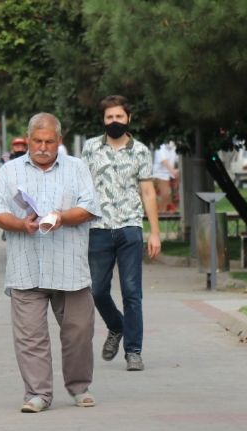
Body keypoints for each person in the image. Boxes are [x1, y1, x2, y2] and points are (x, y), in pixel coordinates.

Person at [0, 113, 100, 413]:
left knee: (79, 331)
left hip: (70, 268)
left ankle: (79, 386)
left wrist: (61, 217)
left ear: (59, 141)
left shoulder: (77, 168)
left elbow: (89, 208)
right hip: (26, 267)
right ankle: (38, 393)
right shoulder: (9, 171)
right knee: (30, 336)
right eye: (37, 141)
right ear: (28, 140)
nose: (43, 147)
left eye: (49, 141)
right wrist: (20, 224)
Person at [81, 95, 161, 372]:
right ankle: (116, 326)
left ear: (128, 118)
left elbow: (148, 191)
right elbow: (80, 186)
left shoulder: (140, 151)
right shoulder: (90, 148)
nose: (114, 122)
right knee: (97, 290)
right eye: (109, 117)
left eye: (119, 117)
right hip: (97, 229)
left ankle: (134, 351)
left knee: (131, 292)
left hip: (129, 227)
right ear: (103, 120)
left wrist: (155, 233)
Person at [152, 141, 179, 213]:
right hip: (157, 175)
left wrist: (176, 171)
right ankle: (157, 212)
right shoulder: (161, 147)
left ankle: (162, 213)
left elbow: (178, 159)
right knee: (163, 195)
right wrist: (173, 171)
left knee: (166, 196)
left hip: (167, 176)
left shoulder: (174, 148)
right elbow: (164, 161)